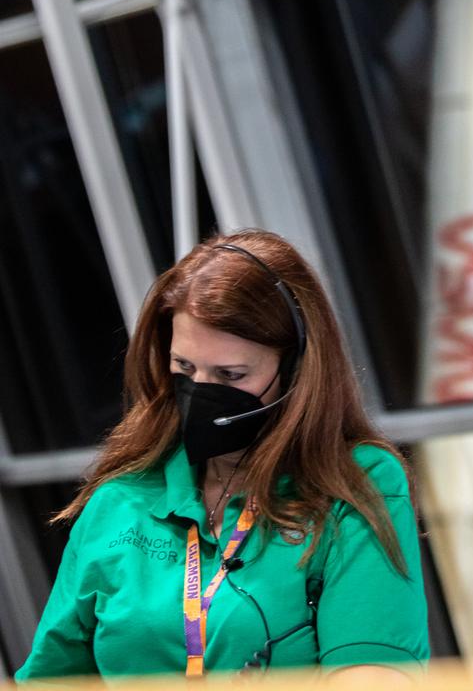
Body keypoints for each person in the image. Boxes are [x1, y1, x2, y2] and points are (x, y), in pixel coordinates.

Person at [16, 230, 430, 682]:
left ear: (296, 370)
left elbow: (373, 671)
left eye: (231, 374)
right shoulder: (120, 498)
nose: (202, 392)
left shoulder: (355, 480)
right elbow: (52, 676)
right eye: (185, 369)